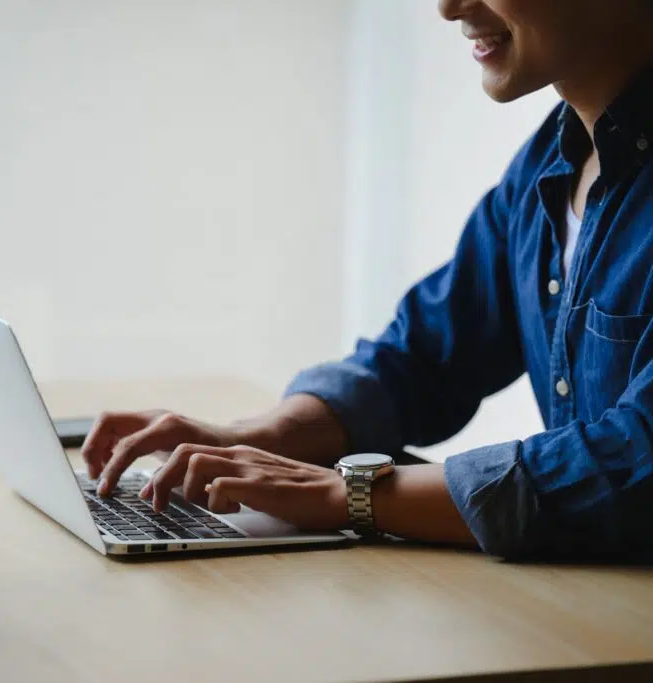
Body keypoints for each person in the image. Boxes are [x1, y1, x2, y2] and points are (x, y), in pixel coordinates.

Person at [81, 0, 653, 561]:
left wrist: (351, 494)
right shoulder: (546, 165)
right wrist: (264, 435)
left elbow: (637, 456)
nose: (449, 8)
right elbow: (426, 357)